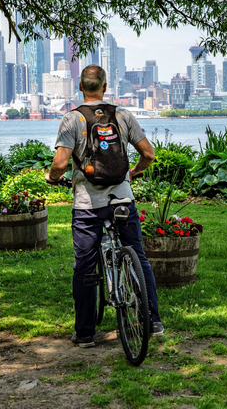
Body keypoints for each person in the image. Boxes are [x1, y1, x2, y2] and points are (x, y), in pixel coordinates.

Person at [46, 64, 162, 348]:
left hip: (89, 205)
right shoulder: (123, 115)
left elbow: (61, 163)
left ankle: (85, 333)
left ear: (81, 88)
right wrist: (131, 174)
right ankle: (153, 320)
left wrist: (52, 177)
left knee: (85, 266)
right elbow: (148, 154)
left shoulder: (72, 119)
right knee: (138, 256)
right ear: (105, 87)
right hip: (123, 199)